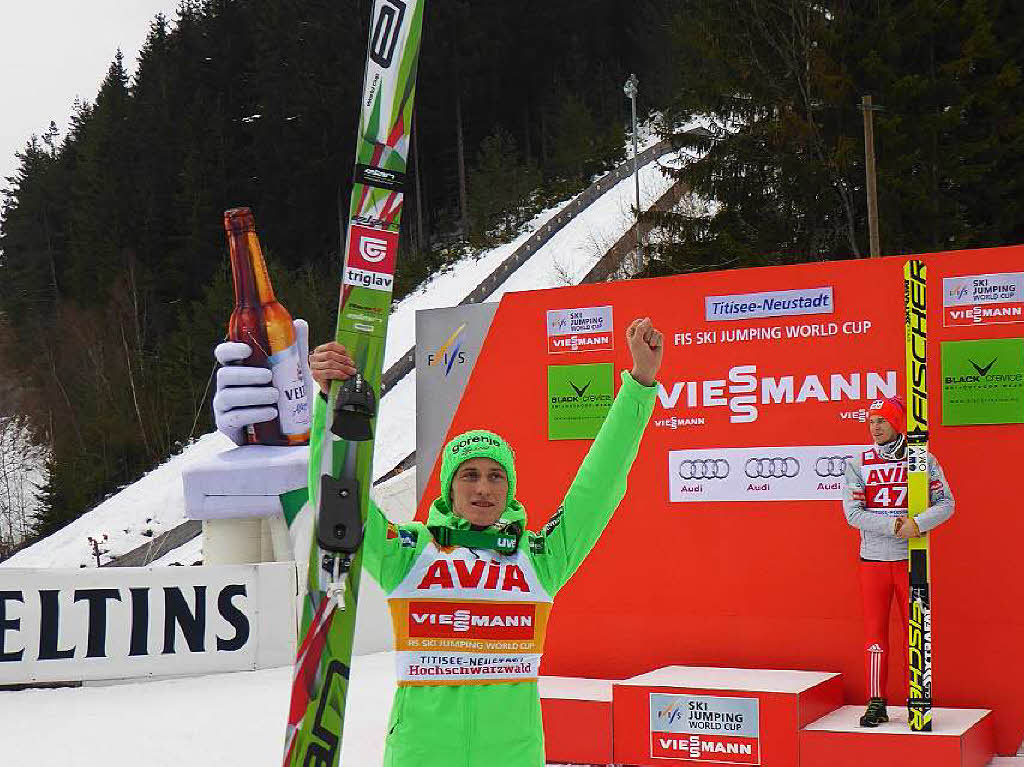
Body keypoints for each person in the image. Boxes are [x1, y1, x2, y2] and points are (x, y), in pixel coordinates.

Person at [214, 316, 664, 766]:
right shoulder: (409, 554)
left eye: (495, 476)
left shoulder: (538, 559)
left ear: (509, 489)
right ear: (449, 488)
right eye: (469, 475)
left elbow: (597, 488)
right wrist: (331, 404)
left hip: (514, 756)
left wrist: (640, 385)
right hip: (420, 754)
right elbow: (338, 499)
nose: (483, 488)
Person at [842, 395, 954, 727]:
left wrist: (918, 523)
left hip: (912, 559)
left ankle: (919, 699)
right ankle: (876, 701)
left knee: (917, 633)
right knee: (875, 635)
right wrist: (893, 524)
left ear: (896, 423)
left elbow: (946, 503)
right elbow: (852, 514)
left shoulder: (922, 460)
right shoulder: (858, 462)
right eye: (871, 422)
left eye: (881, 421)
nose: (874, 428)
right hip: (873, 560)